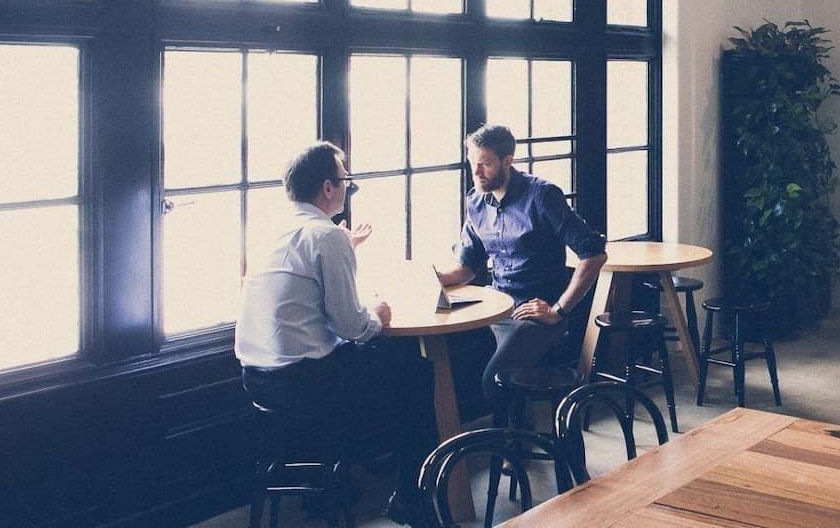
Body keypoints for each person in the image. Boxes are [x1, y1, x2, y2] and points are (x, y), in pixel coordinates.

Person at [236, 141, 433, 525]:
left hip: (257, 379)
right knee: (416, 371)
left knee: (368, 367)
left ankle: (330, 484)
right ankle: (412, 495)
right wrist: (376, 314)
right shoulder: (327, 236)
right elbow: (352, 327)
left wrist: (348, 247)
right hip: (304, 383)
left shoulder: (272, 230)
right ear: (327, 187)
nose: (347, 187)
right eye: (346, 180)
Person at [437, 125, 608, 403]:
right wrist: (428, 279)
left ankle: (514, 441)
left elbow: (594, 253)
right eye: (472, 163)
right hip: (495, 308)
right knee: (450, 365)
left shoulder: (541, 196)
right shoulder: (476, 200)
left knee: (492, 382)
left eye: (485, 164)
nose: (477, 172)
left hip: (536, 315)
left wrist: (559, 310)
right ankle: (503, 435)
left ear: (508, 161)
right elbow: (467, 267)